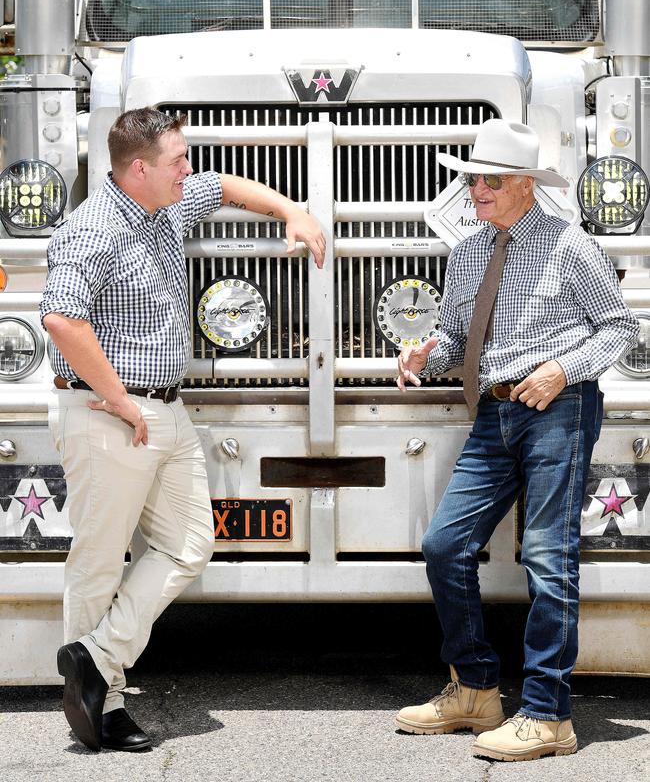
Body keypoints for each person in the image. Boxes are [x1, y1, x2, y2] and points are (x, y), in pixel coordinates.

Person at [41, 107, 326, 753]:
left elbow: (224, 184)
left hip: (166, 409)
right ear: (137, 168)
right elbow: (62, 320)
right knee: (98, 560)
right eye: (178, 160)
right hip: (107, 414)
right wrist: (119, 400)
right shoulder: (92, 230)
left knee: (191, 543)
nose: (188, 170)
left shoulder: (163, 202)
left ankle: (93, 654)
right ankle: (102, 707)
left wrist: (293, 211)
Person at [394, 119, 638, 761]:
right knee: (444, 545)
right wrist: (426, 353)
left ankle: (549, 715)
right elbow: (457, 338)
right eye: (472, 177)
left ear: (526, 186)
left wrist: (563, 370)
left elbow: (619, 329)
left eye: (489, 180)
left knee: (547, 557)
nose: (476, 189)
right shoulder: (469, 252)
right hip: (495, 413)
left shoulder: (570, 246)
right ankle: (475, 689)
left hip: (559, 407)